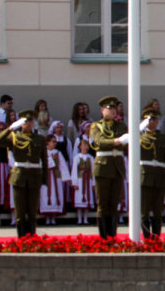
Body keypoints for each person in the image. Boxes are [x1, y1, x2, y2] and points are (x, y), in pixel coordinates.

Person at [0, 110, 46, 237]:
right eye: (25, 121)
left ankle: (32, 238)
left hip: (34, 177)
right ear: (21, 123)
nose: (28, 124)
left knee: (32, 211)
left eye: (30, 121)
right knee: (20, 211)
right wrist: (10, 128)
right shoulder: (14, 136)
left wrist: (45, 180)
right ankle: (22, 238)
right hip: (19, 177)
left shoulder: (39, 139)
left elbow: (44, 160)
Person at [90, 95, 128, 238]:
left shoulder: (120, 125)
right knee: (103, 203)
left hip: (117, 166)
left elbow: (125, 142)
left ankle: (112, 234)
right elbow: (99, 141)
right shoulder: (96, 126)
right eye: (109, 108)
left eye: (115, 107)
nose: (113, 110)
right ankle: (103, 236)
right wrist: (117, 141)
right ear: (102, 110)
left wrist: (123, 141)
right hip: (103, 166)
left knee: (114, 203)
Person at [139, 107, 165, 237]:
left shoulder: (163, 138)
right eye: (150, 119)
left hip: (160, 177)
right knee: (144, 210)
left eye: (155, 119)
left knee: (158, 210)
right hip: (145, 177)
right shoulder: (139, 137)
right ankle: (146, 236)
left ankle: (156, 236)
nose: (153, 122)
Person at [71, 138, 95, 224]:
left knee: (87, 199)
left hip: (88, 180)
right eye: (84, 145)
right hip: (80, 180)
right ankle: (79, 219)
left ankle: (85, 218)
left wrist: (94, 183)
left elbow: (93, 171)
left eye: (87, 145)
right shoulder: (77, 157)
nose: (85, 147)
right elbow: (74, 170)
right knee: (79, 198)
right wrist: (75, 182)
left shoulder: (91, 158)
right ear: (80, 146)